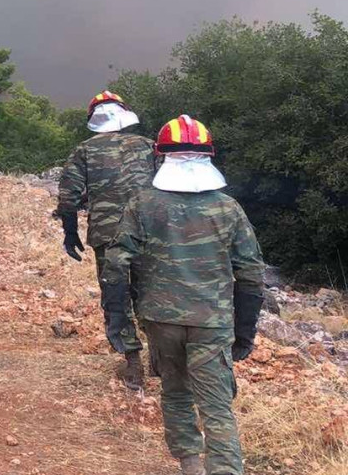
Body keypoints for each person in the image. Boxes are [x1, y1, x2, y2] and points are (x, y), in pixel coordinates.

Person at [101, 115, 265, 475]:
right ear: (209, 155)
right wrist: (244, 332)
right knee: (217, 408)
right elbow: (251, 276)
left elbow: (115, 266)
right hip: (212, 322)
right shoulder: (228, 209)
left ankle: (190, 464)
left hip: (161, 320)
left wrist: (118, 322)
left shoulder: (142, 204)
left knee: (175, 393)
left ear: (161, 156)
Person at [56, 90, 156, 390]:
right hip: (149, 232)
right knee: (151, 292)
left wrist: (70, 232)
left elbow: (68, 197)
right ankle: (161, 357)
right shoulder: (149, 146)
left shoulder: (85, 151)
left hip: (107, 235)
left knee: (116, 295)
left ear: (93, 119)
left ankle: (133, 362)